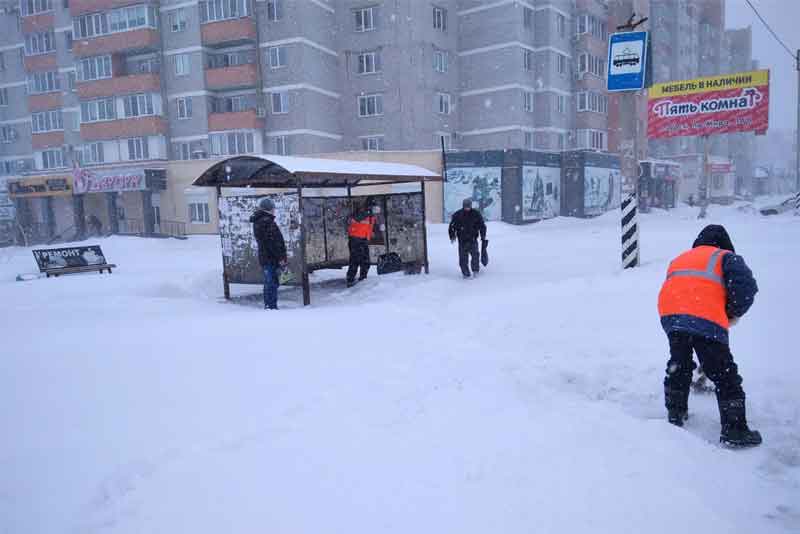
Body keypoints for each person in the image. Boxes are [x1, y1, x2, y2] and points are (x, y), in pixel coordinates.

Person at [657, 224, 761, 447]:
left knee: (679, 364)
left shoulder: (681, 258)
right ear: (725, 244)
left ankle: (675, 415)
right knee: (724, 373)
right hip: (704, 318)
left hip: (672, 315)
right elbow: (746, 288)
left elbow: (678, 286)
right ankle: (735, 430)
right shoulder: (726, 257)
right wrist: (731, 312)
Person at [250, 198, 287, 310]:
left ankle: (270, 305)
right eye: (273, 208)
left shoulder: (261, 220)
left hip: (267, 257)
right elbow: (273, 243)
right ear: (269, 209)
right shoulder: (266, 222)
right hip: (270, 258)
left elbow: (271, 241)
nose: (274, 210)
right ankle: (271, 307)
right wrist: (280, 257)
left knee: (270, 282)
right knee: (271, 283)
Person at [448, 198, 487, 278]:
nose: (467, 208)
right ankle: (465, 273)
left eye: (468, 206)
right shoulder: (457, 215)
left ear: (471, 206)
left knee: (475, 256)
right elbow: (452, 227)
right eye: (465, 207)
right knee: (463, 258)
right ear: (463, 206)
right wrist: (452, 236)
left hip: (473, 239)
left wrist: (483, 236)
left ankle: (475, 270)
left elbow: (482, 226)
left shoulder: (476, 214)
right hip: (462, 240)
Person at [346, 202, 376, 287]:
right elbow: (357, 219)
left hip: (362, 239)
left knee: (365, 261)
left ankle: (362, 279)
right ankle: (351, 280)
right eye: (375, 209)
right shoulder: (362, 214)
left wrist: (368, 238)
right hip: (355, 239)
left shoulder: (371, 217)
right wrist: (367, 213)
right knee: (355, 260)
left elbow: (369, 228)